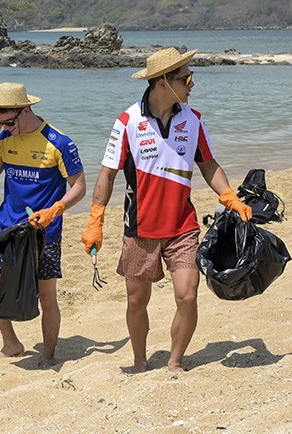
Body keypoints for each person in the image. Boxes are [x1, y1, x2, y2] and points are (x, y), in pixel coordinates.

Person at [81, 47, 252, 373]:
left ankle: (175, 362)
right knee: (136, 301)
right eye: (186, 78)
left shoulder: (193, 119)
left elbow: (208, 164)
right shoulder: (128, 121)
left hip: (182, 226)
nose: (192, 84)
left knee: (187, 296)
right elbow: (107, 173)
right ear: (163, 83)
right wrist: (96, 218)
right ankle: (140, 361)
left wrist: (229, 195)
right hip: (140, 228)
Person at [0, 82, 86, 367]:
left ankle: (49, 356)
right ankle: (11, 342)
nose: (6, 127)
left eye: (10, 121)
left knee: (46, 295)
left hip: (44, 231)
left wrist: (56, 209)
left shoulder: (58, 141)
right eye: (0, 122)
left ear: (26, 110)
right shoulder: (3, 138)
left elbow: (79, 187)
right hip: (7, 226)